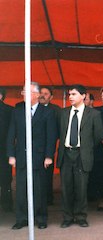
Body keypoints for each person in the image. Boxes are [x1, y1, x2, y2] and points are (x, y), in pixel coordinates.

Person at [7, 82, 57, 229]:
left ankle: (41, 218)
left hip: (40, 157)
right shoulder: (17, 111)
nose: (24, 94)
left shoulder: (47, 112)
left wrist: (49, 156)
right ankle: (22, 218)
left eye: (27, 92)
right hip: (21, 156)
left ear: (36, 94)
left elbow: (51, 136)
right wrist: (11, 154)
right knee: (21, 189)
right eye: (23, 92)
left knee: (39, 189)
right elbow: (11, 134)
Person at [57, 84, 103, 228]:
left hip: (82, 155)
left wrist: (85, 148)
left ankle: (81, 216)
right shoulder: (63, 113)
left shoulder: (93, 114)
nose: (70, 97)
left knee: (81, 188)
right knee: (66, 188)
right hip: (66, 154)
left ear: (83, 96)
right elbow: (60, 132)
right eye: (69, 94)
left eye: (74, 94)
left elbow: (98, 136)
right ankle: (67, 217)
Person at [39, 86, 61, 205]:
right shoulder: (31, 108)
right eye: (41, 93)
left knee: (47, 174)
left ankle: (48, 198)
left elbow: (58, 129)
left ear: (51, 97)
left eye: (46, 94)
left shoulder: (56, 110)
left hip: (48, 147)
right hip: (33, 147)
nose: (42, 95)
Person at [0, 87, 13, 212]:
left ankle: (7, 204)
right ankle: (6, 205)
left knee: (5, 180)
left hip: (4, 150)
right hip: (5, 150)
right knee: (5, 179)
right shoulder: (9, 110)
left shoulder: (9, 110)